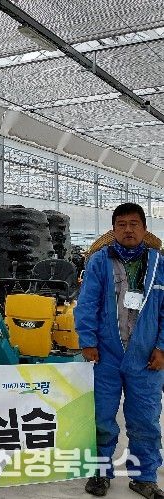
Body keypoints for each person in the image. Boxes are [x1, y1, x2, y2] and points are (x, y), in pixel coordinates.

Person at [75, 202, 164, 499]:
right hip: (106, 355)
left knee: (145, 419)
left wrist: (162, 347)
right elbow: (87, 303)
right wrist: (88, 341)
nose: (128, 229)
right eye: (122, 224)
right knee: (101, 417)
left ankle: (144, 477)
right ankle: (100, 472)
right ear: (113, 229)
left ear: (144, 228)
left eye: (134, 224)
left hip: (146, 358)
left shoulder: (159, 264)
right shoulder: (99, 261)